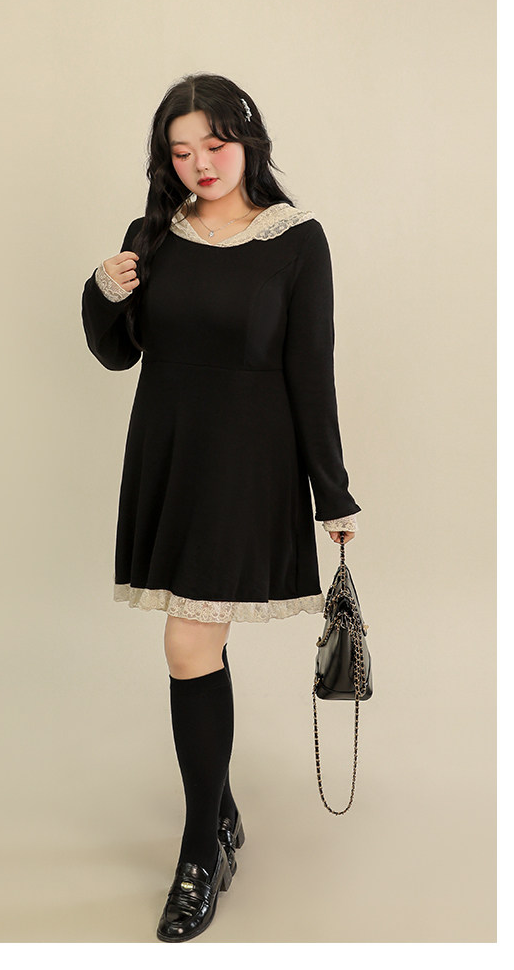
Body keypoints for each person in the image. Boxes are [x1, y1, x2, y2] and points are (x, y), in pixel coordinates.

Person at [80, 72, 361, 943]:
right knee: (196, 647)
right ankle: (220, 815)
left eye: (215, 144)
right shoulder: (151, 237)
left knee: (186, 644)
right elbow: (115, 353)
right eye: (181, 151)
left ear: (248, 142)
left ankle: (200, 851)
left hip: (247, 465)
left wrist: (331, 489)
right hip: (170, 459)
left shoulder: (296, 241)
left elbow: (311, 371)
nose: (200, 163)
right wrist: (102, 288)